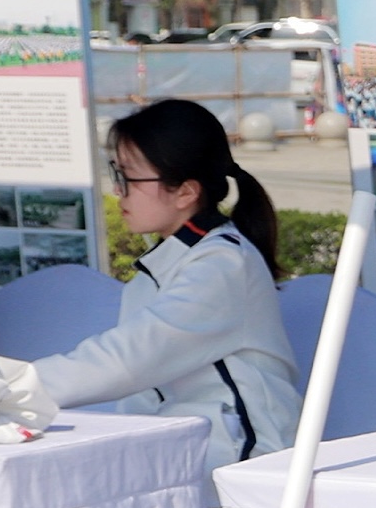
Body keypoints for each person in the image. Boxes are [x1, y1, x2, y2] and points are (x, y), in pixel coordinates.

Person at [35, 97, 303, 477]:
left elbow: (129, 360)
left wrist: (15, 385)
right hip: (186, 451)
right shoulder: (171, 261)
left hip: (240, 468)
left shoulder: (221, 265)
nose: (118, 192)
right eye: (117, 174)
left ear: (185, 192)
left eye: (129, 178)